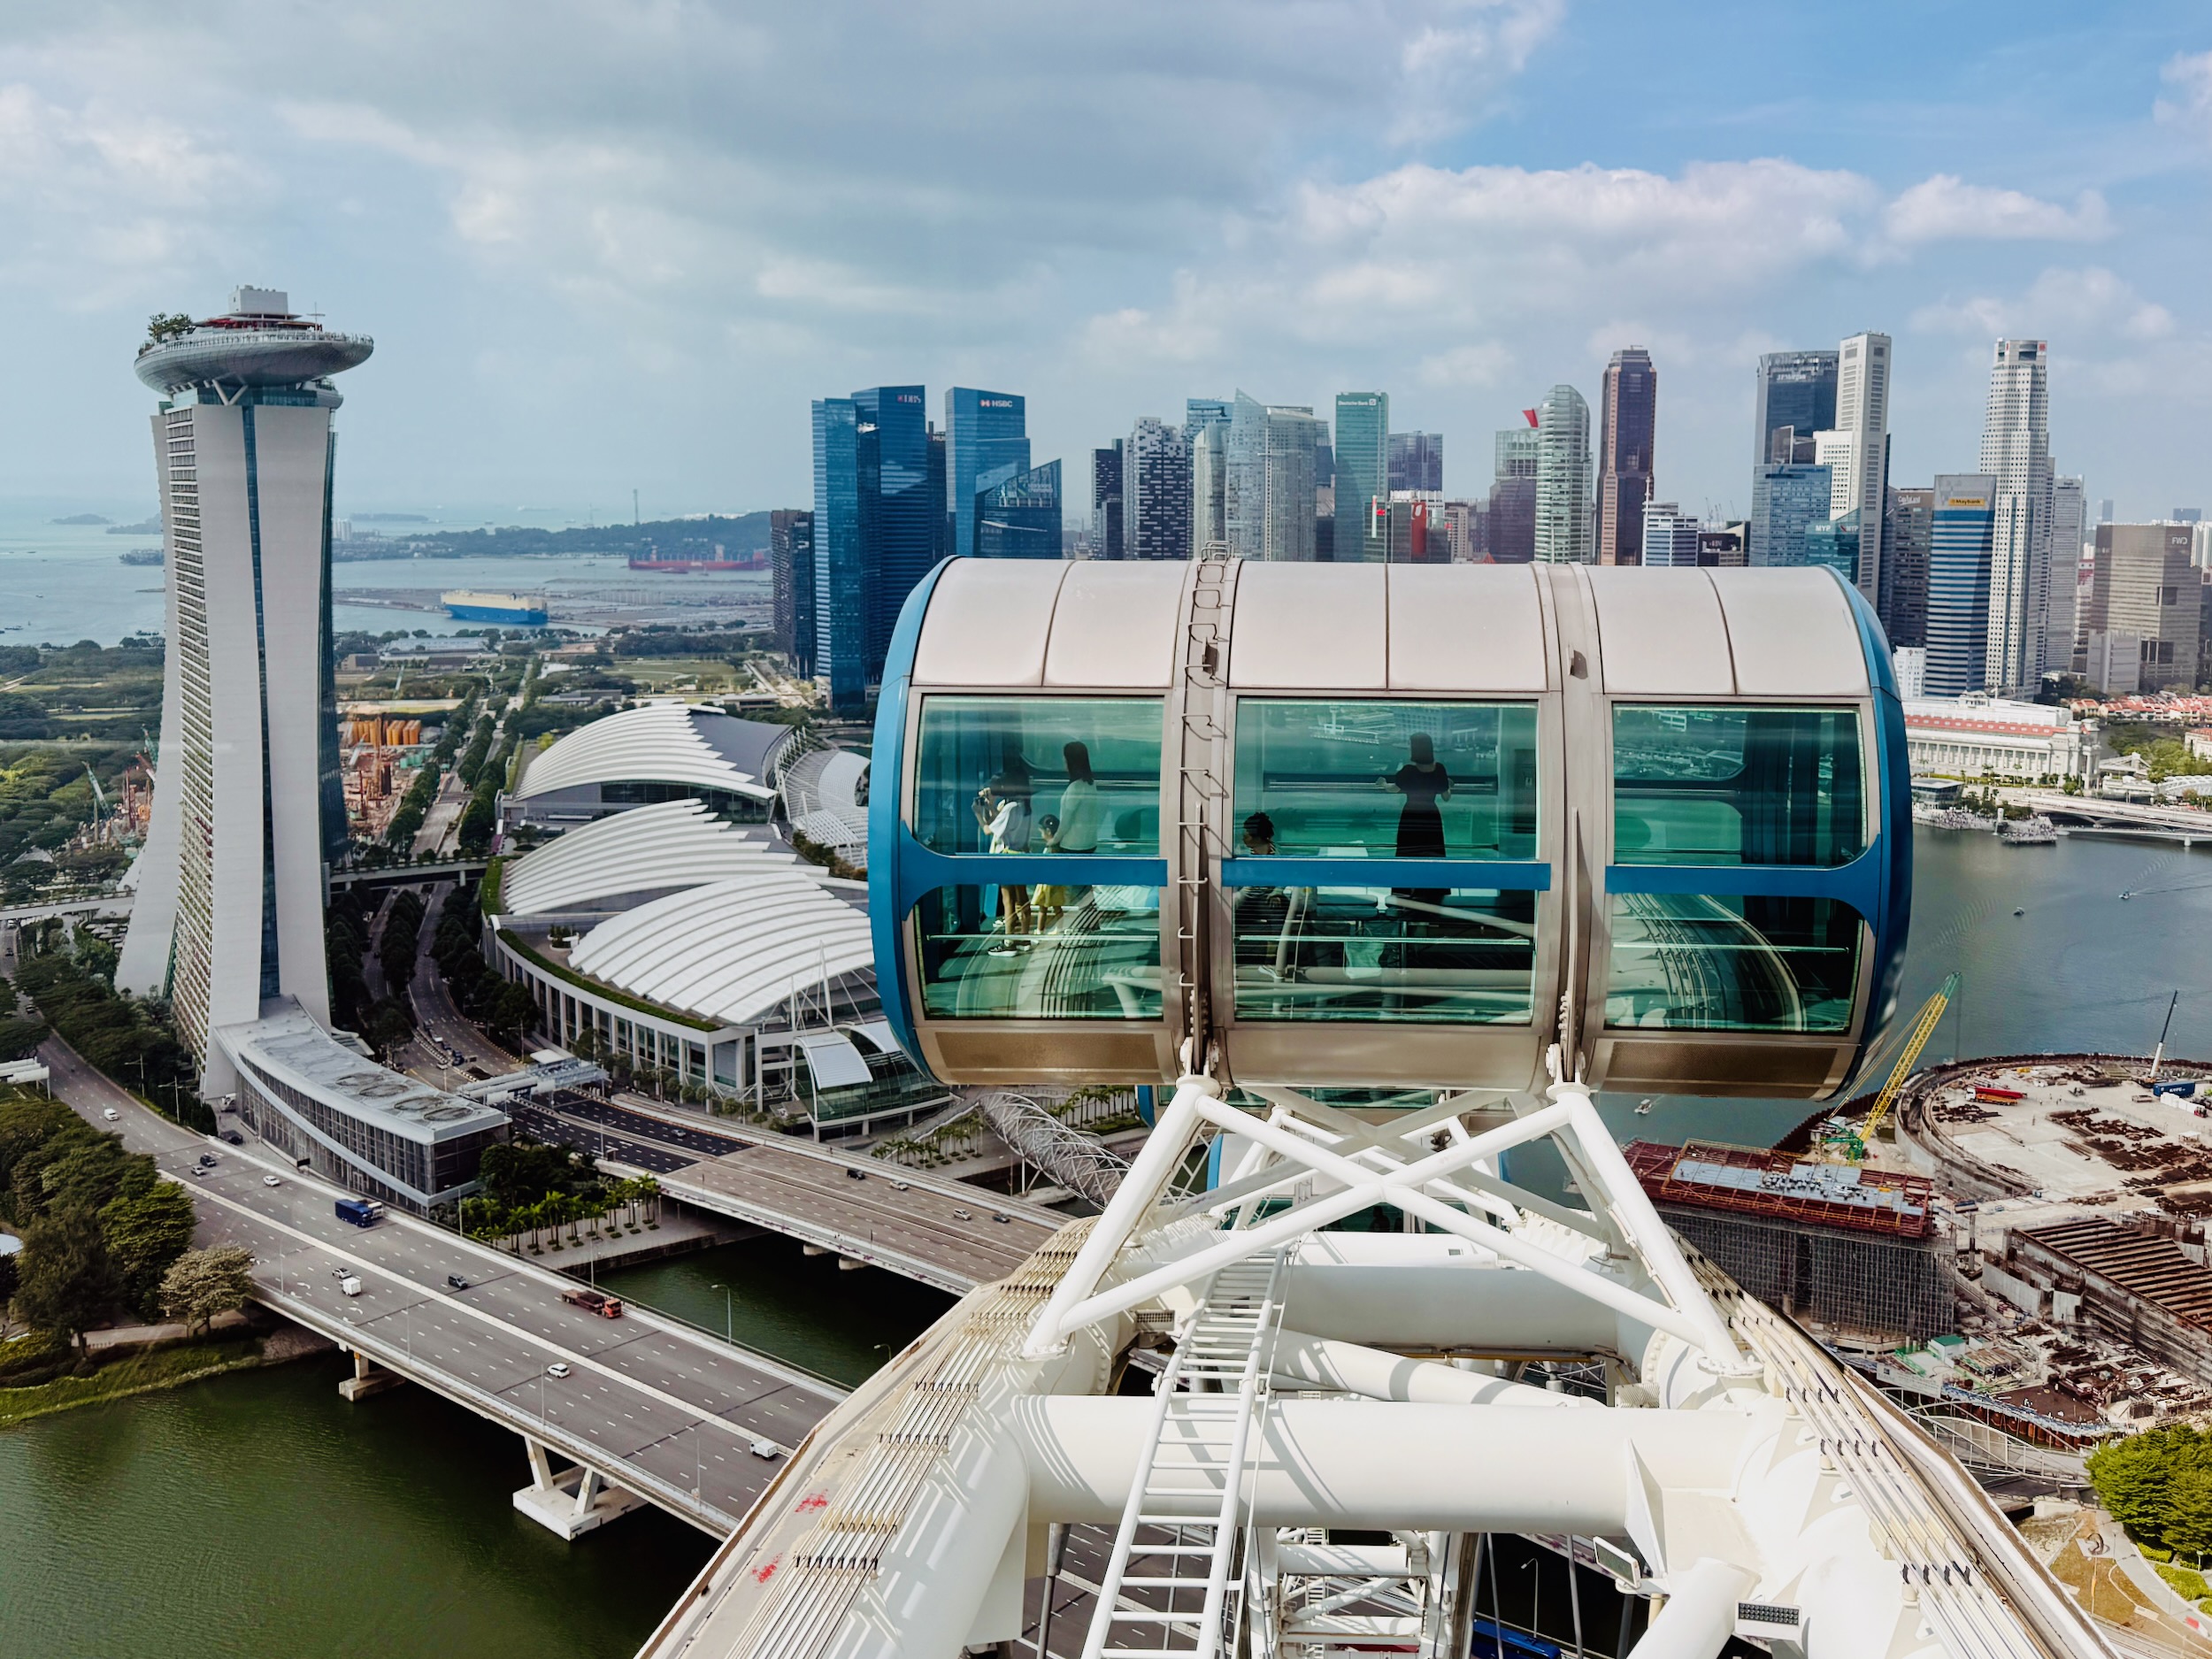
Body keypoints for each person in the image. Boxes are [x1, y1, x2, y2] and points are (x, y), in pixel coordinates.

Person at [1379, 733, 1451, 909]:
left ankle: (1404, 892)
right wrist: (1449, 784)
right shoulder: (1440, 769)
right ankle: (1431, 893)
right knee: (1432, 853)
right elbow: (1446, 796)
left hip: (1411, 815)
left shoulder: (1408, 771)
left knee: (1407, 852)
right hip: (1431, 816)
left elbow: (1394, 789)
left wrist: (1382, 784)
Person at [973, 782, 1032, 954]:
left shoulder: (1011, 807)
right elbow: (999, 822)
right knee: (1022, 898)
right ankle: (1024, 938)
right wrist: (990, 805)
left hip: (1008, 856)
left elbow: (988, 830)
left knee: (1008, 901)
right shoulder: (1023, 805)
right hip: (1021, 854)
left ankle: (1009, 942)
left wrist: (977, 813)